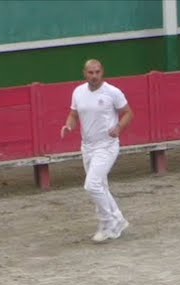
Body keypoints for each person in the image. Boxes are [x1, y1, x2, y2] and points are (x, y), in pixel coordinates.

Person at [60, 59, 134, 243]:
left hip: (107, 145)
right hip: (87, 146)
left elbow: (129, 113)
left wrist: (118, 127)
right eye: (91, 73)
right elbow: (74, 114)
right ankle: (118, 220)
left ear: (103, 72)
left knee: (92, 185)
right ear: (85, 73)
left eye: (97, 72)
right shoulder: (78, 92)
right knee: (100, 186)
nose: (94, 76)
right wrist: (69, 126)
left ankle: (108, 222)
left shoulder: (112, 92)